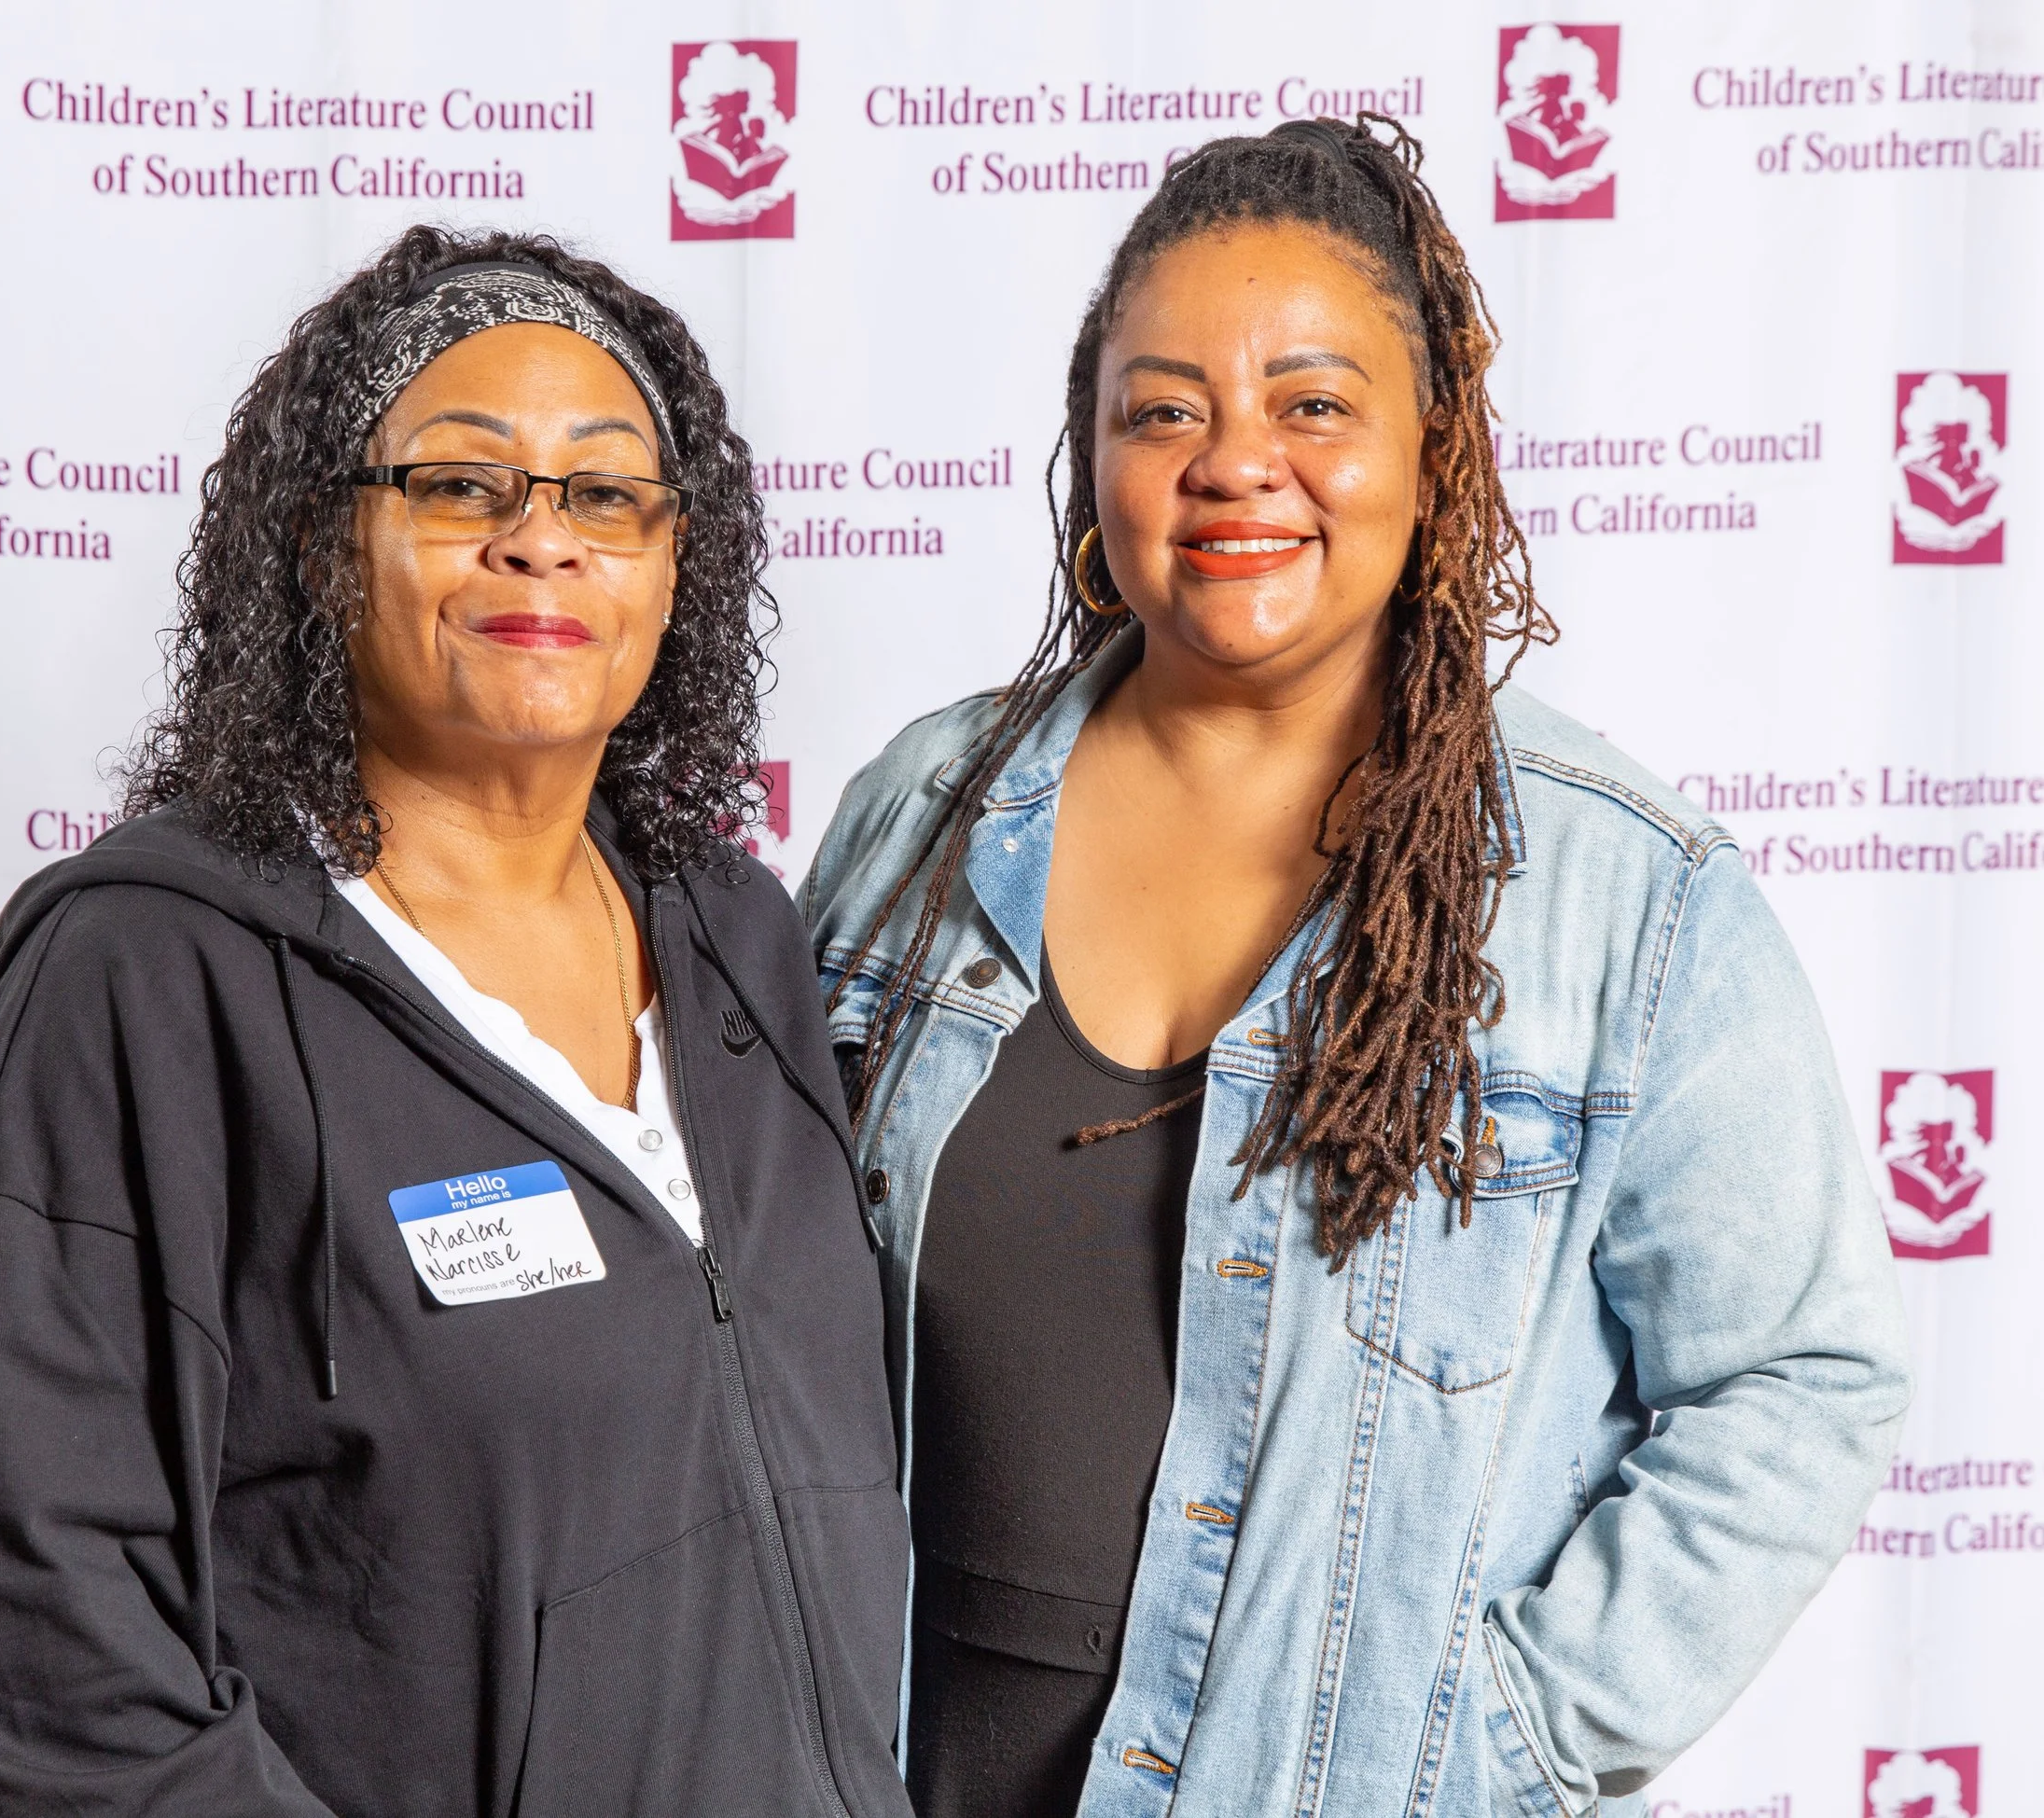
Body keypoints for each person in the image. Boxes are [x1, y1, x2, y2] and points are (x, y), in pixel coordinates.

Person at [800, 120, 1910, 1818]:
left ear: (1434, 449)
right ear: (1090, 461)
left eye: (1314, 403)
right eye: (1164, 409)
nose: (1237, 463)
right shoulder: (925, 815)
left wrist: (1504, 1741)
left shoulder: (1622, 897)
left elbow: (1798, 1374)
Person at [0, 229, 913, 1818]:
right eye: (460, 485)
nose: (540, 544)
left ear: (671, 562)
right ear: (319, 547)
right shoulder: (149, 983)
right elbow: (46, 1648)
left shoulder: (737, 940)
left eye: (605, 493)